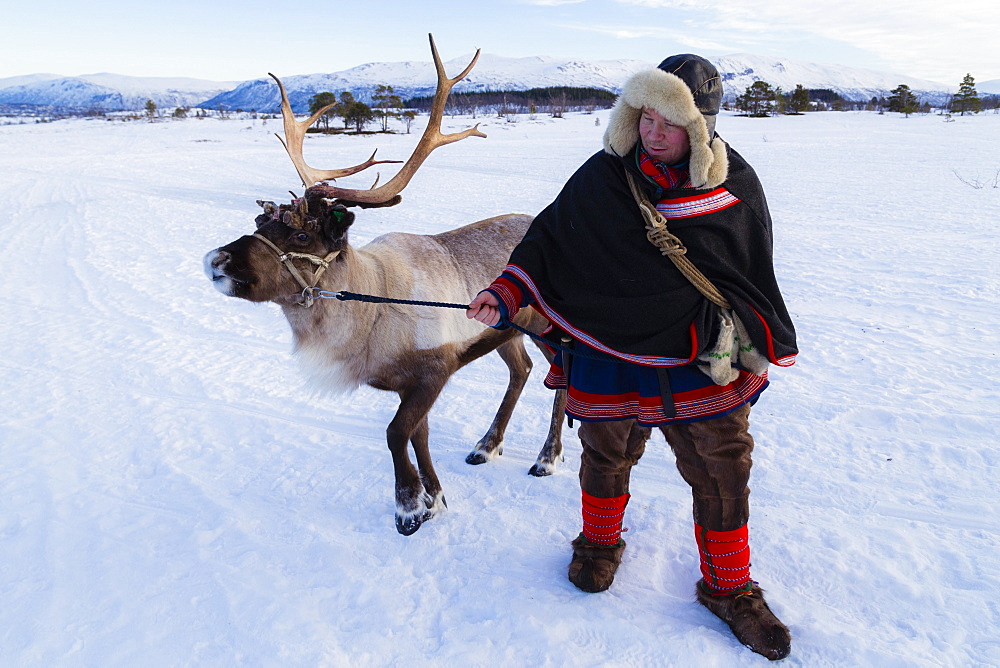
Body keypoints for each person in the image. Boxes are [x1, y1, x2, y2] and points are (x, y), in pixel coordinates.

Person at [466, 54, 797, 661]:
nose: (652, 132)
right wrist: (506, 291)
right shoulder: (603, 177)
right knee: (605, 449)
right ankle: (598, 545)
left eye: (669, 121)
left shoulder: (733, 185)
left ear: (700, 126)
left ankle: (728, 589)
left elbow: (748, 271)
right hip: (606, 348)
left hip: (698, 355)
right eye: (645, 117)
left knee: (722, 466)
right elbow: (548, 239)